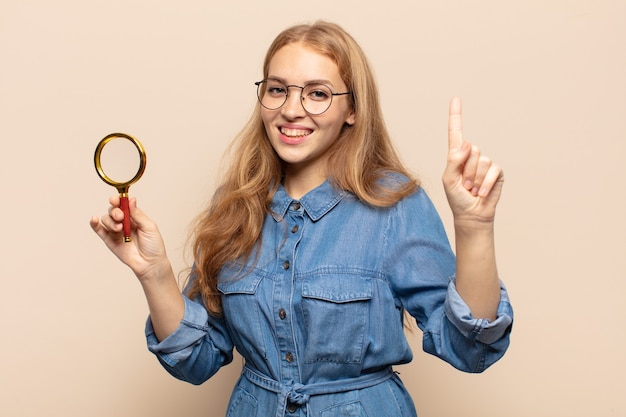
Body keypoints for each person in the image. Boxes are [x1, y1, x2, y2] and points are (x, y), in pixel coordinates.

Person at [90, 21, 513, 417]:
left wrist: (474, 230)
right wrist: (155, 272)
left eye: (317, 93)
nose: (291, 109)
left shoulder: (394, 206)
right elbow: (195, 362)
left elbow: (470, 350)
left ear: (352, 110)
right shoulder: (235, 207)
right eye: (277, 90)